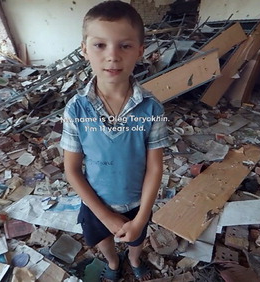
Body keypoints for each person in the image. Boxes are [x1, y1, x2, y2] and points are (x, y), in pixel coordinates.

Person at [60, 1, 169, 281]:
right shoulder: (77, 109)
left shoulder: (151, 109)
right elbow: (72, 169)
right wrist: (106, 216)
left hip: (136, 202)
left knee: (135, 240)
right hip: (96, 202)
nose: (112, 56)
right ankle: (111, 263)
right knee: (103, 240)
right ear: (84, 50)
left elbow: (155, 168)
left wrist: (142, 218)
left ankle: (134, 260)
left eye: (125, 45)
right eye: (100, 45)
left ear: (140, 51)